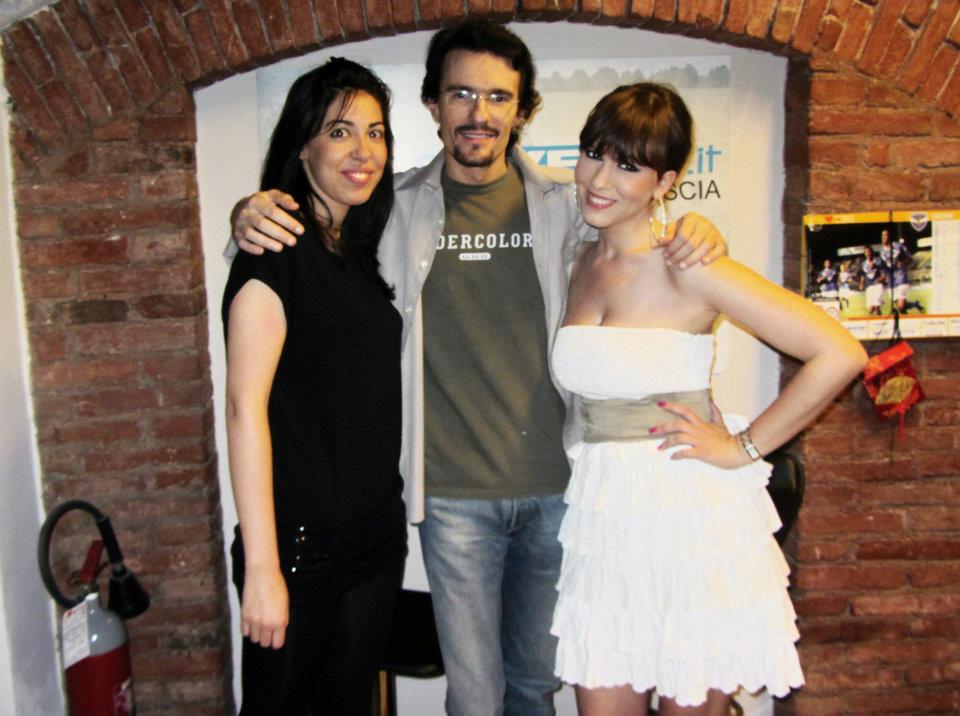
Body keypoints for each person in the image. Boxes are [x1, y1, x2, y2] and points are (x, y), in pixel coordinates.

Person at [231, 21, 726, 716]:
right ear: (433, 104)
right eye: (461, 93)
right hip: (452, 499)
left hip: (559, 491)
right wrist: (250, 209)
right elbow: (313, 228)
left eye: (498, 97)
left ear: (522, 110)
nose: (479, 112)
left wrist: (694, 227)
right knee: (474, 695)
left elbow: (638, 234)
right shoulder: (389, 207)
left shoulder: (567, 208)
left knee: (536, 685)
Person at [550, 82, 867, 716]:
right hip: (605, 523)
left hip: (690, 520)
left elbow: (839, 353)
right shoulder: (578, 256)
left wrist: (742, 446)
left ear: (665, 182)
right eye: (593, 153)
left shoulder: (688, 263)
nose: (600, 178)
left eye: (628, 165)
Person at [222, 58, 406, 715]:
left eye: (376, 132)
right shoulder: (275, 247)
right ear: (302, 145)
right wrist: (263, 570)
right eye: (340, 131)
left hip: (372, 543)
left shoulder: (352, 250)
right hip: (298, 554)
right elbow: (244, 408)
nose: (364, 151)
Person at [860, 245, 885, 315]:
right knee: (870, 310)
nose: (867, 253)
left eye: (869, 251)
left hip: (878, 285)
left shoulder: (879, 261)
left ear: (871, 252)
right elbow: (863, 276)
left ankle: (881, 320)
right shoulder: (863, 264)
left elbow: (884, 275)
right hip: (869, 287)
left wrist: (879, 279)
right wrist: (861, 283)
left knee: (877, 306)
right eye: (866, 252)